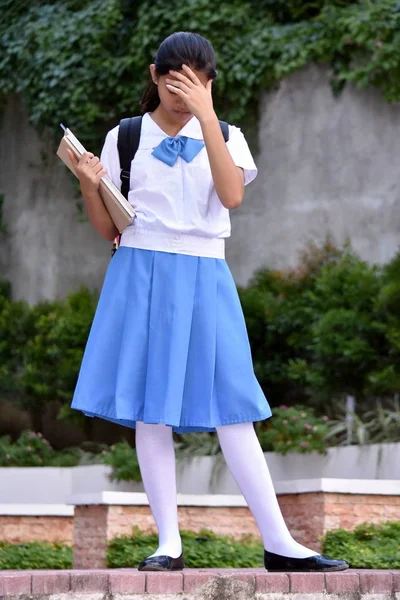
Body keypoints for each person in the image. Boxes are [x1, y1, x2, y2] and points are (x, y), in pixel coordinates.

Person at [68, 31, 348, 573]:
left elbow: (232, 196)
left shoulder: (227, 135)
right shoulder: (124, 138)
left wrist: (206, 115)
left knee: (233, 405)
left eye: (195, 82)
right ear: (155, 76)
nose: (182, 92)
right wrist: (86, 186)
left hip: (205, 272)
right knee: (152, 411)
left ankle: (280, 543)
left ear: (210, 82)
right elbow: (109, 228)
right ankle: (167, 544)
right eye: (174, 81)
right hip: (140, 271)